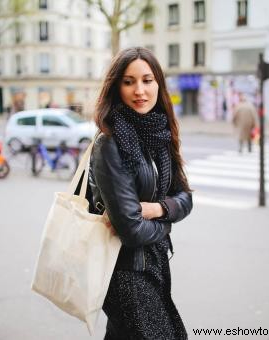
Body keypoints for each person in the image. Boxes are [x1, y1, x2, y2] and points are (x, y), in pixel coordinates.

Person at [87, 47, 193, 339]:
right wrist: (169, 221)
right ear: (116, 87)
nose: (140, 90)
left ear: (158, 83)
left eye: (147, 80)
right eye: (129, 81)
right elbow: (131, 230)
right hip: (125, 273)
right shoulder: (109, 144)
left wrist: (157, 210)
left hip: (156, 264)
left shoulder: (160, 134)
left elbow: (186, 197)